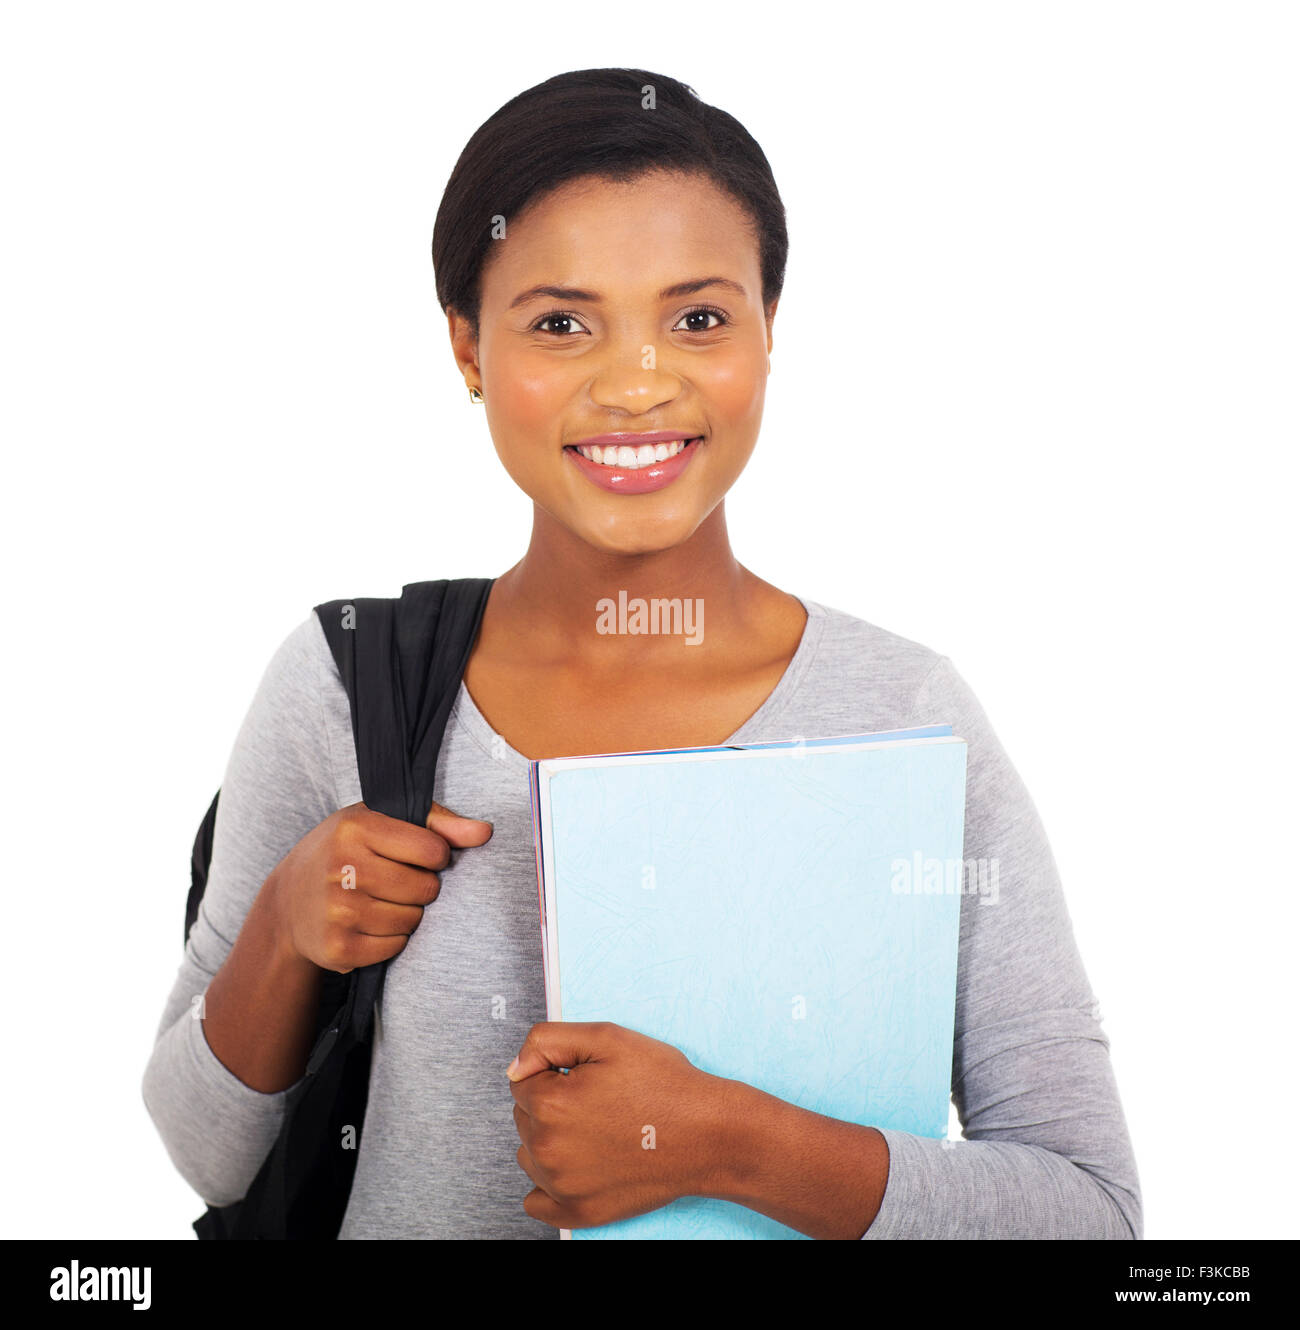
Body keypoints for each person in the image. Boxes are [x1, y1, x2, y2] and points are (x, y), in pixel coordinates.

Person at [143, 67, 1141, 1239]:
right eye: (560, 322)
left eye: (699, 318)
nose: (635, 381)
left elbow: (1090, 1213)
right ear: (466, 348)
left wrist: (725, 1141)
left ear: (770, 332)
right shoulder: (349, 685)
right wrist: (282, 927)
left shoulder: (904, 713)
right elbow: (205, 1156)